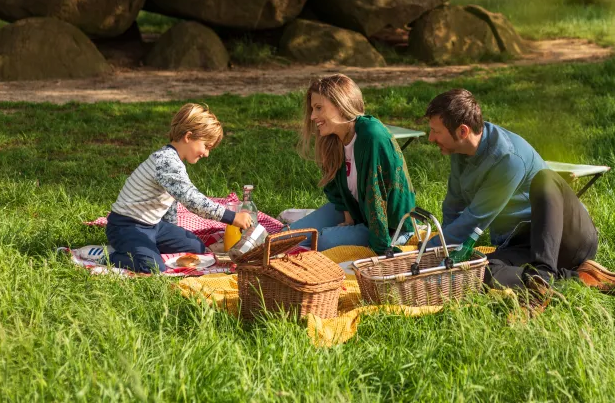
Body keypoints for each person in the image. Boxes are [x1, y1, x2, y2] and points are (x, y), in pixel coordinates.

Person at [424, 89, 615, 295]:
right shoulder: (460, 152)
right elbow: (453, 206)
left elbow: (475, 219)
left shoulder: (508, 158)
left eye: (436, 131)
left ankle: (543, 273)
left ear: (462, 131)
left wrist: (423, 252)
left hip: (567, 238)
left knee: (546, 179)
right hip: (524, 244)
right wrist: (442, 252)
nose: (431, 138)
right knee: (478, 272)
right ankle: (579, 278)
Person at [105, 103, 253, 273]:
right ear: (188, 137)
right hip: (126, 226)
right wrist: (232, 217)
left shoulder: (174, 160)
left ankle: (145, 248)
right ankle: (107, 256)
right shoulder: (166, 161)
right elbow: (192, 200)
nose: (206, 154)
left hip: (154, 226)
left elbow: (172, 199)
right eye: (206, 146)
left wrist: (171, 230)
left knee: (196, 247)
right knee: (153, 267)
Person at [287, 74, 416, 254]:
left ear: (340, 105)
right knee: (287, 237)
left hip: (389, 227)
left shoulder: (371, 135)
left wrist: (381, 250)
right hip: (357, 211)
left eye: (318, 108)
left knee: (324, 241)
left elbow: (377, 195)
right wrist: (348, 218)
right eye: (312, 109)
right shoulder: (333, 138)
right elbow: (335, 187)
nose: (313, 116)